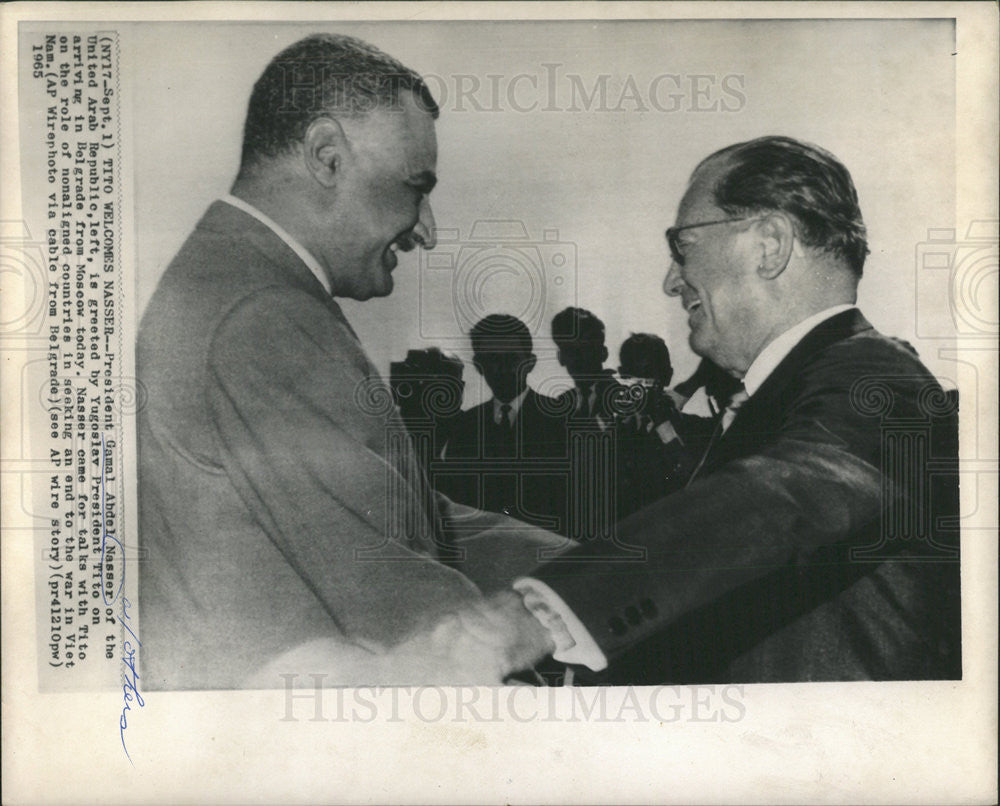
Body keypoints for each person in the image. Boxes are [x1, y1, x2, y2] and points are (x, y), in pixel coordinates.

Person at [136, 33, 562, 689]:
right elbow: (390, 586)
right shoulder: (264, 313)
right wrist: (573, 617)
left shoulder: (232, 280)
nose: (426, 228)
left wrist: (577, 567)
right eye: (415, 187)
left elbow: (390, 509)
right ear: (327, 157)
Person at [496, 136, 961, 684]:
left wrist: (528, 620)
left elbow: (784, 497)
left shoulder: (879, 376)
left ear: (769, 245)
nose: (671, 281)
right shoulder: (784, 396)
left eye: (682, 245)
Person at [438, 315, 569, 534]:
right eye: (492, 359)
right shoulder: (465, 428)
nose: (502, 368)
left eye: (511, 359)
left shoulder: (564, 420)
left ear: (530, 363)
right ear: (479, 366)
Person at [551, 307, 624, 429]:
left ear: (603, 353)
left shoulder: (622, 398)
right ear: (561, 357)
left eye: (587, 348)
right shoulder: (560, 405)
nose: (578, 358)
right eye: (570, 350)